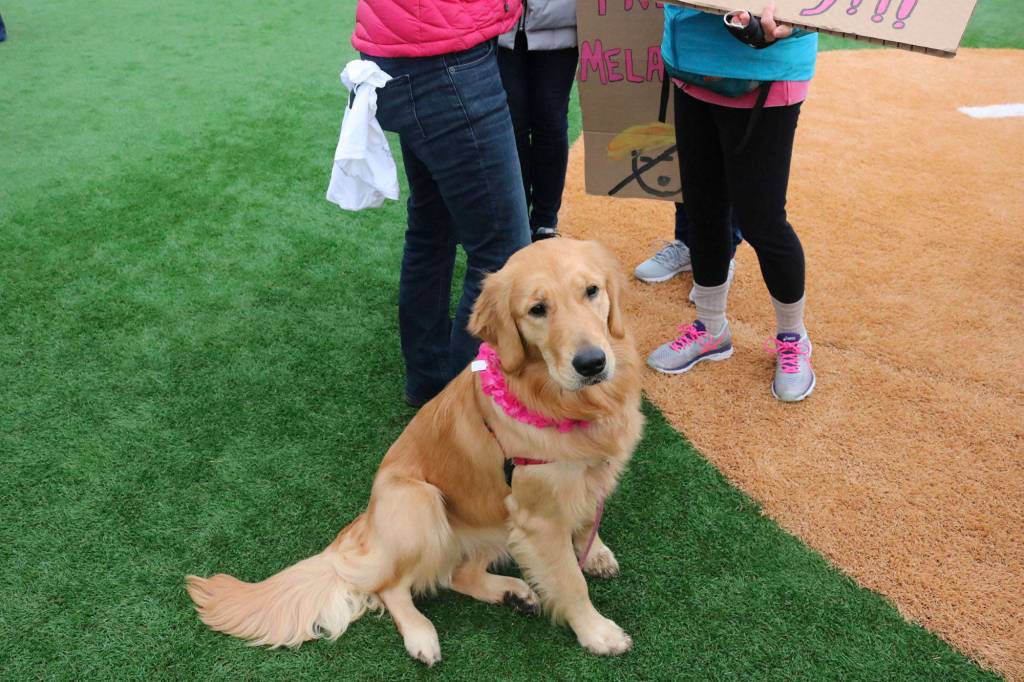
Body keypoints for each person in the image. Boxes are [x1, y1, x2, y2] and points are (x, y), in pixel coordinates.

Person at [351, 0, 532, 407]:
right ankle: (467, 414)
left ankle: (431, 382)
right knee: (502, 255)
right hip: (442, 55)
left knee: (433, 228)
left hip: (418, 47)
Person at [646, 4, 817, 402]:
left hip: (767, 72)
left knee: (762, 220)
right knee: (703, 209)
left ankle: (793, 337)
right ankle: (710, 328)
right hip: (692, 65)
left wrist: (796, 22)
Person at [497, 0, 579, 242]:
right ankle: (516, 219)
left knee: (551, 123)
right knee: (510, 124)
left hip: (560, 18)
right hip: (499, 22)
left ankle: (545, 222)